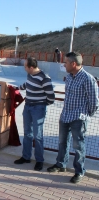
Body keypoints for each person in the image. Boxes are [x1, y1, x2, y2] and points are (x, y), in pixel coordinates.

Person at [47, 52, 99, 183]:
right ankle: (61, 164)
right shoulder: (69, 77)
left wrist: (86, 115)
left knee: (78, 146)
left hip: (78, 118)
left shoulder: (88, 79)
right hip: (65, 115)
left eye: (66, 63)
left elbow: (94, 102)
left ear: (73, 64)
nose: (64, 65)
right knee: (62, 142)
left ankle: (79, 171)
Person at [14, 57, 55, 171]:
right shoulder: (30, 75)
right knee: (27, 133)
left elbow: (51, 97)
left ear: (31, 68)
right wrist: (16, 88)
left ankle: (39, 160)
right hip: (27, 107)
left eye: (25, 67)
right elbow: (27, 85)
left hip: (38, 109)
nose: (24, 68)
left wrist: (41, 104)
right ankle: (26, 157)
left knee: (38, 136)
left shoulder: (44, 78)